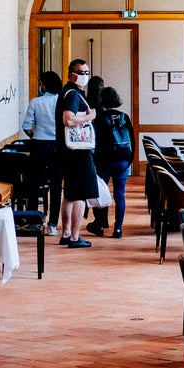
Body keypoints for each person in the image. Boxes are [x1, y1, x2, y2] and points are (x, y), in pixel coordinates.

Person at [55, 56, 98, 248]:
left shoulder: (67, 92)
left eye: (87, 72)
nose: (85, 76)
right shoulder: (72, 94)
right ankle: (74, 236)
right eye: (81, 72)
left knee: (70, 194)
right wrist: (90, 117)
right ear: (71, 74)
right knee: (80, 194)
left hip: (66, 151)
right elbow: (68, 119)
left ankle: (66, 234)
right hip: (77, 152)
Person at [88, 84, 135, 237]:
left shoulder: (99, 117)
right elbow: (132, 140)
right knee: (120, 195)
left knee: (101, 191)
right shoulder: (124, 117)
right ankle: (118, 229)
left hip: (104, 162)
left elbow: (95, 142)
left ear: (102, 100)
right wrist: (129, 160)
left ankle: (100, 224)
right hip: (123, 161)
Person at [21, 68, 62, 232]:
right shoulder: (62, 102)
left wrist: (34, 136)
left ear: (43, 85)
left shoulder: (35, 102)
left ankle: (33, 222)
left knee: (33, 183)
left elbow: (26, 126)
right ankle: (53, 224)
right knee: (56, 186)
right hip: (58, 146)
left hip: (39, 145)